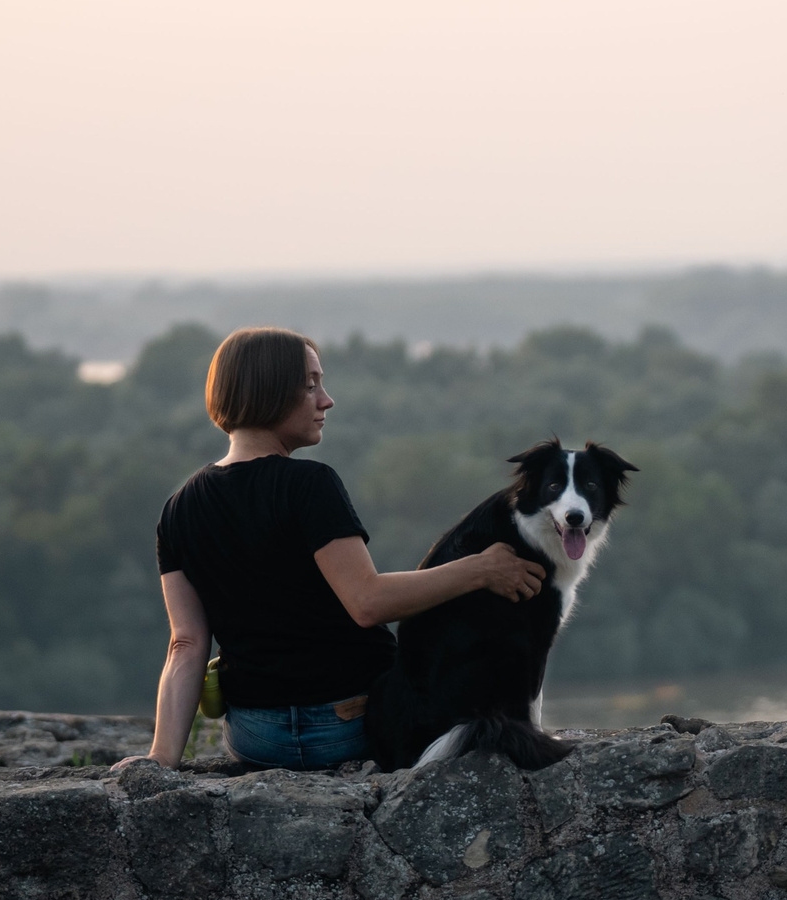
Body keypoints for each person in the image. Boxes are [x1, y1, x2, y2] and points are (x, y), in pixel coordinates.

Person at [120, 327, 545, 770]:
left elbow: (186, 644)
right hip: (350, 727)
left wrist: (159, 760)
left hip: (255, 738)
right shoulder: (309, 485)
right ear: (270, 391)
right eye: (310, 385)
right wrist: (481, 569)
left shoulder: (179, 507)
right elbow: (367, 602)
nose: (326, 400)